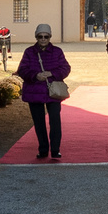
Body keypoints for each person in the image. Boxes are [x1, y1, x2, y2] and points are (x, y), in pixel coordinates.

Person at [15, 23, 70, 160]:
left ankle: (55, 149)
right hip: (35, 92)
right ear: (36, 37)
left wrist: (52, 73)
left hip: (53, 92)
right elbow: (22, 70)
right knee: (39, 123)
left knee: (55, 122)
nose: (43, 39)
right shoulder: (29, 52)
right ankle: (43, 149)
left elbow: (65, 68)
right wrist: (35, 75)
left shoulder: (57, 52)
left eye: (46, 36)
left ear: (50, 37)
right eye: (40, 36)